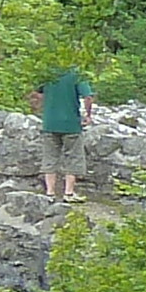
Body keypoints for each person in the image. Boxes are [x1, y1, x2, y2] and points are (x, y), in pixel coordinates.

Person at [37, 65, 96, 200]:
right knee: (73, 157)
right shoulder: (77, 74)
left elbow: (37, 94)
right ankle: (68, 193)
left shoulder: (48, 72)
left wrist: (44, 110)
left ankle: (50, 193)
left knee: (50, 157)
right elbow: (88, 97)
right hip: (71, 124)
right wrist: (88, 115)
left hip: (49, 122)